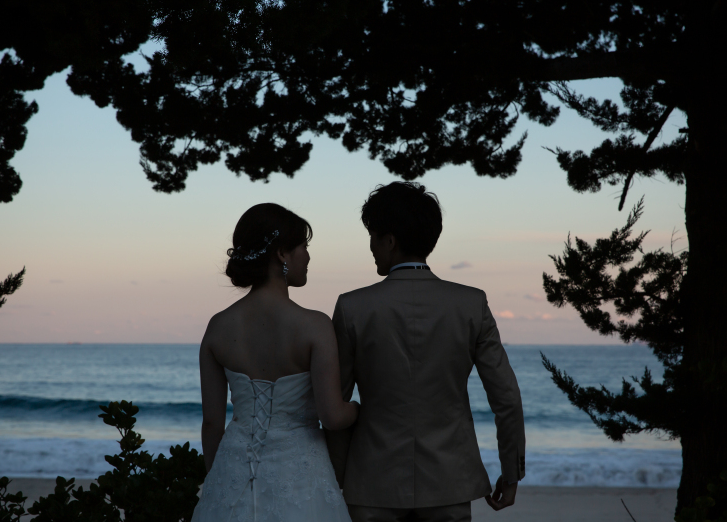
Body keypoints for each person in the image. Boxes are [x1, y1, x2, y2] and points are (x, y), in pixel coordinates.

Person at [325, 182, 526, 522]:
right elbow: (506, 398)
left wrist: (339, 475)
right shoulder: (471, 304)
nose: (370, 246)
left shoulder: (352, 307)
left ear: (390, 241)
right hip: (449, 481)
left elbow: (337, 404)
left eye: (373, 236)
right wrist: (511, 472)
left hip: (373, 481)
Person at [191, 203, 358, 522]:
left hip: (231, 469)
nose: (308, 256)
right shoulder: (315, 326)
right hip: (300, 475)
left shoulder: (218, 326)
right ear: (282, 253)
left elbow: (212, 423)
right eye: (303, 247)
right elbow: (333, 416)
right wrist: (360, 409)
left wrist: (218, 480)